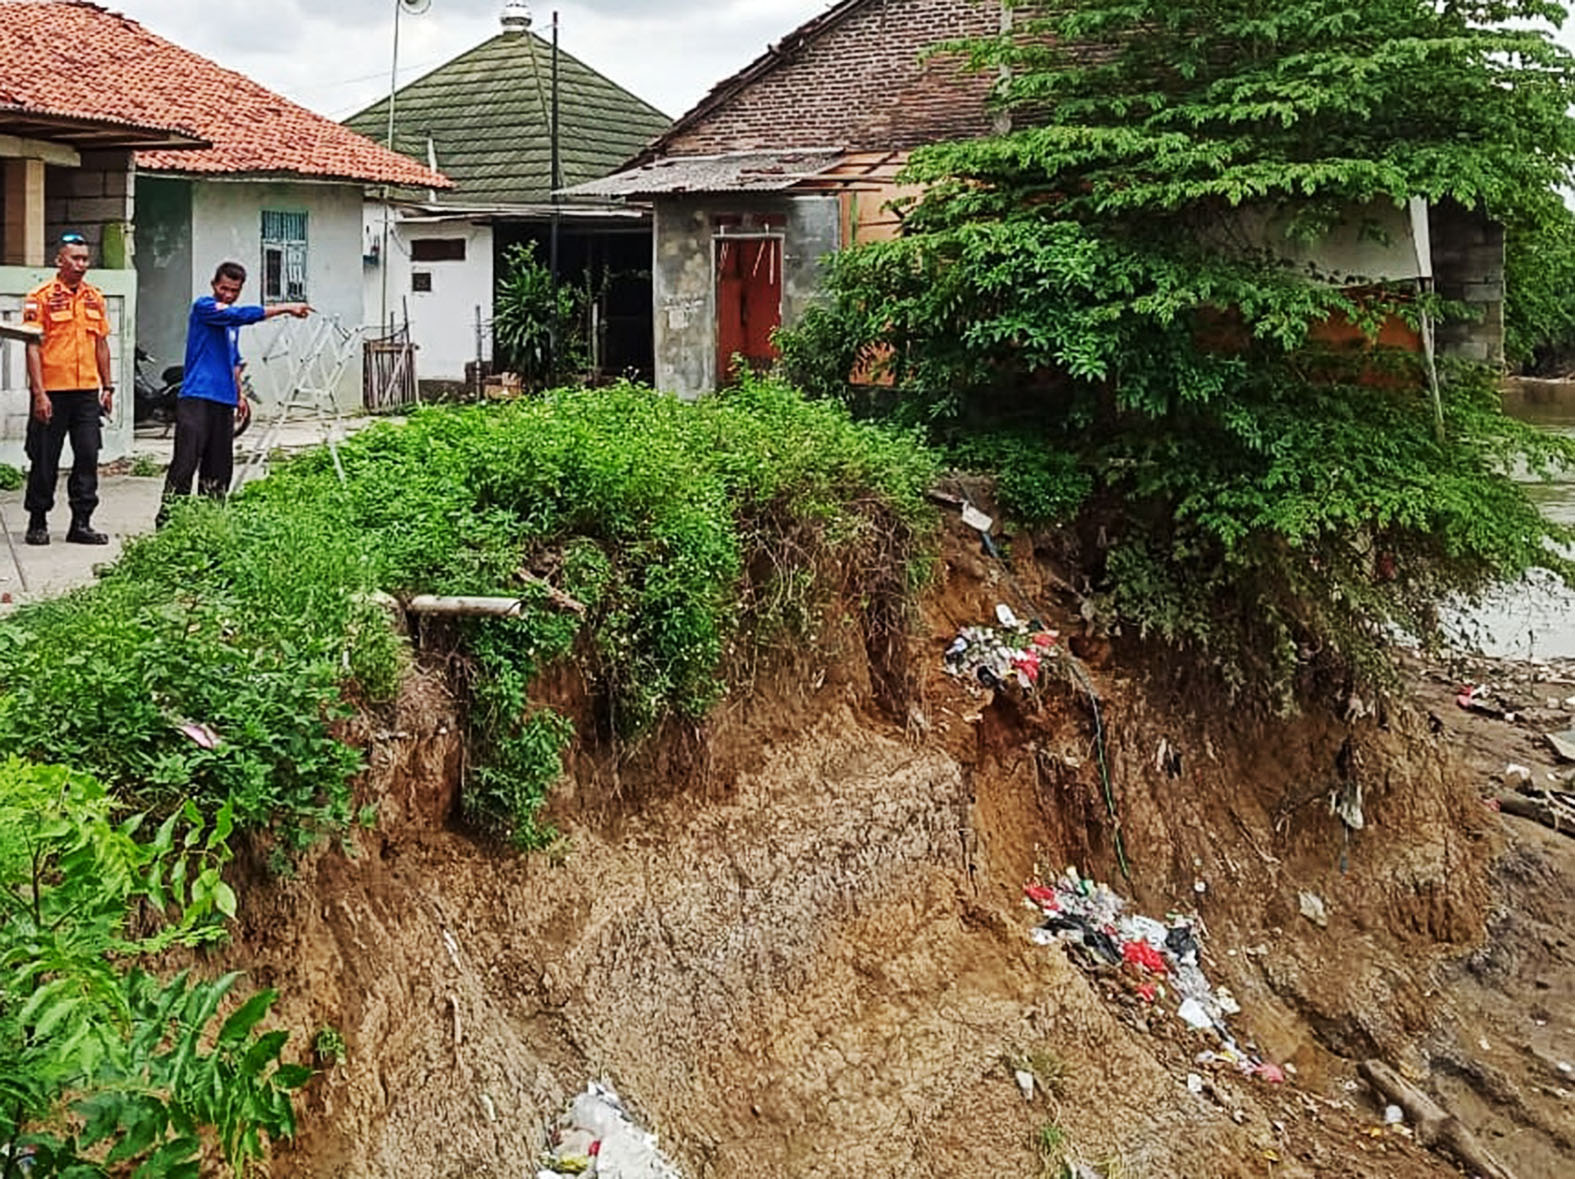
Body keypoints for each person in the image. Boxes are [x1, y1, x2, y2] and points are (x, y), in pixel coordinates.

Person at [160, 261, 309, 517]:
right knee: (185, 462)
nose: (227, 295)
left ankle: (210, 520)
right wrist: (286, 308)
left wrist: (239, 394)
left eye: (234, 291)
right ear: (214, 285)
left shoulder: (231, 327)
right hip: (197, 396)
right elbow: (239, 314)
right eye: (223, 288)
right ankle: (170, 520)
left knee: (218, 466)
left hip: (223, 399)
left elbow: (234, 361)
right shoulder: (205, 308)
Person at [22, 232, 115, 545]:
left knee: (88, 455)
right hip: (53, 392)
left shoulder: (94, 297)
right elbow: (32, 347)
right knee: (45, 457)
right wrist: (39, 394)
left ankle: (82, 523)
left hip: (87, 392)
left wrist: (108, 387)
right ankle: (38, 521)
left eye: (85, 259)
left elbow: (101, 344)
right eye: (75, 258)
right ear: (58, 260)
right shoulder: (41, 296)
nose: (81, 264)